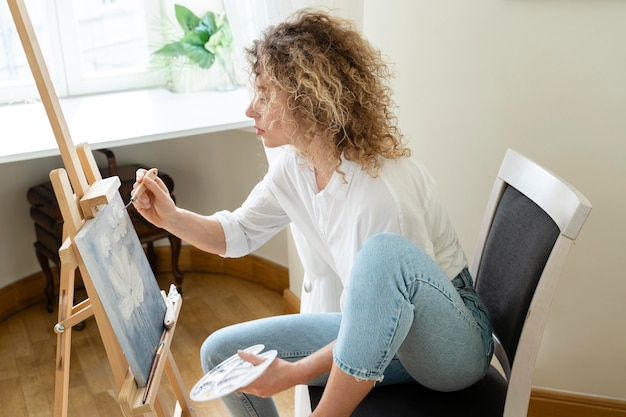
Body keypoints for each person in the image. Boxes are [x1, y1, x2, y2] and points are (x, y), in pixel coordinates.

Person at [132, 9, 493, 417]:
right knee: (222, 355)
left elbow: (390, 323)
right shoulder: (297, 165)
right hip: (381, 331)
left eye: (266, 95)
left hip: (449, 348)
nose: (251, 109)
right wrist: (171, 218)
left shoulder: (381, 192)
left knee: (382, 256)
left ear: (310, 101)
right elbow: (237, 233)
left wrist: (295, 372)